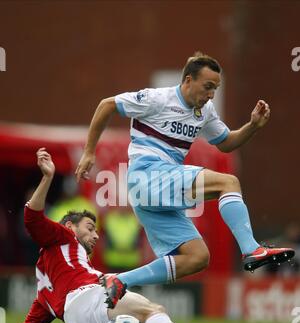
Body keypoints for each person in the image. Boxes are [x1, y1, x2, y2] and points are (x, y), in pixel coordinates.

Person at [75, 51, 295, 309]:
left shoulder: (206, 111)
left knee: (197, 257)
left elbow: (226, 143)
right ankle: (251, 250)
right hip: (147, 176)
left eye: (215, 88)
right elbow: (106, 104)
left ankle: (118, 281)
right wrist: (89, 152)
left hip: (152, 193)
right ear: (188, 81)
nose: (211, 94)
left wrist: (253, 126)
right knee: (229, 183)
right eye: (207, 86)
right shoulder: (158, 98)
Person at [20, 147, 220, 323]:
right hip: (88, 297)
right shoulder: (64, 237)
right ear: (69, 226)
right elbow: (32, 218)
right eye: (89, 228)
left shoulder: (45, 287)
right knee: (151, 310)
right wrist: (47, 177)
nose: (95, 235)